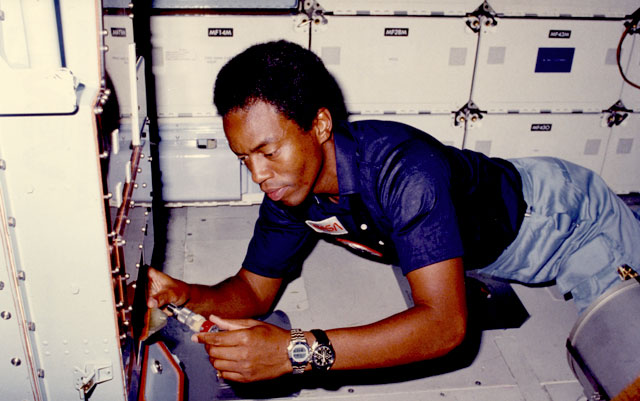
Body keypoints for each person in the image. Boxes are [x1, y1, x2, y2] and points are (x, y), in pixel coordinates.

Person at [147, 40, 640, 384]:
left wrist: (294, 351)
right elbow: (253, 290)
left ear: (319, 124)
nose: (257, 175)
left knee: (624, 360)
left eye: (268, 151)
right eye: (244, 158)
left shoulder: (405, 171)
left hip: (565, 220)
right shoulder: (290, 188)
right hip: (494, 234)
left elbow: (445, 326)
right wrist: (184, 294)